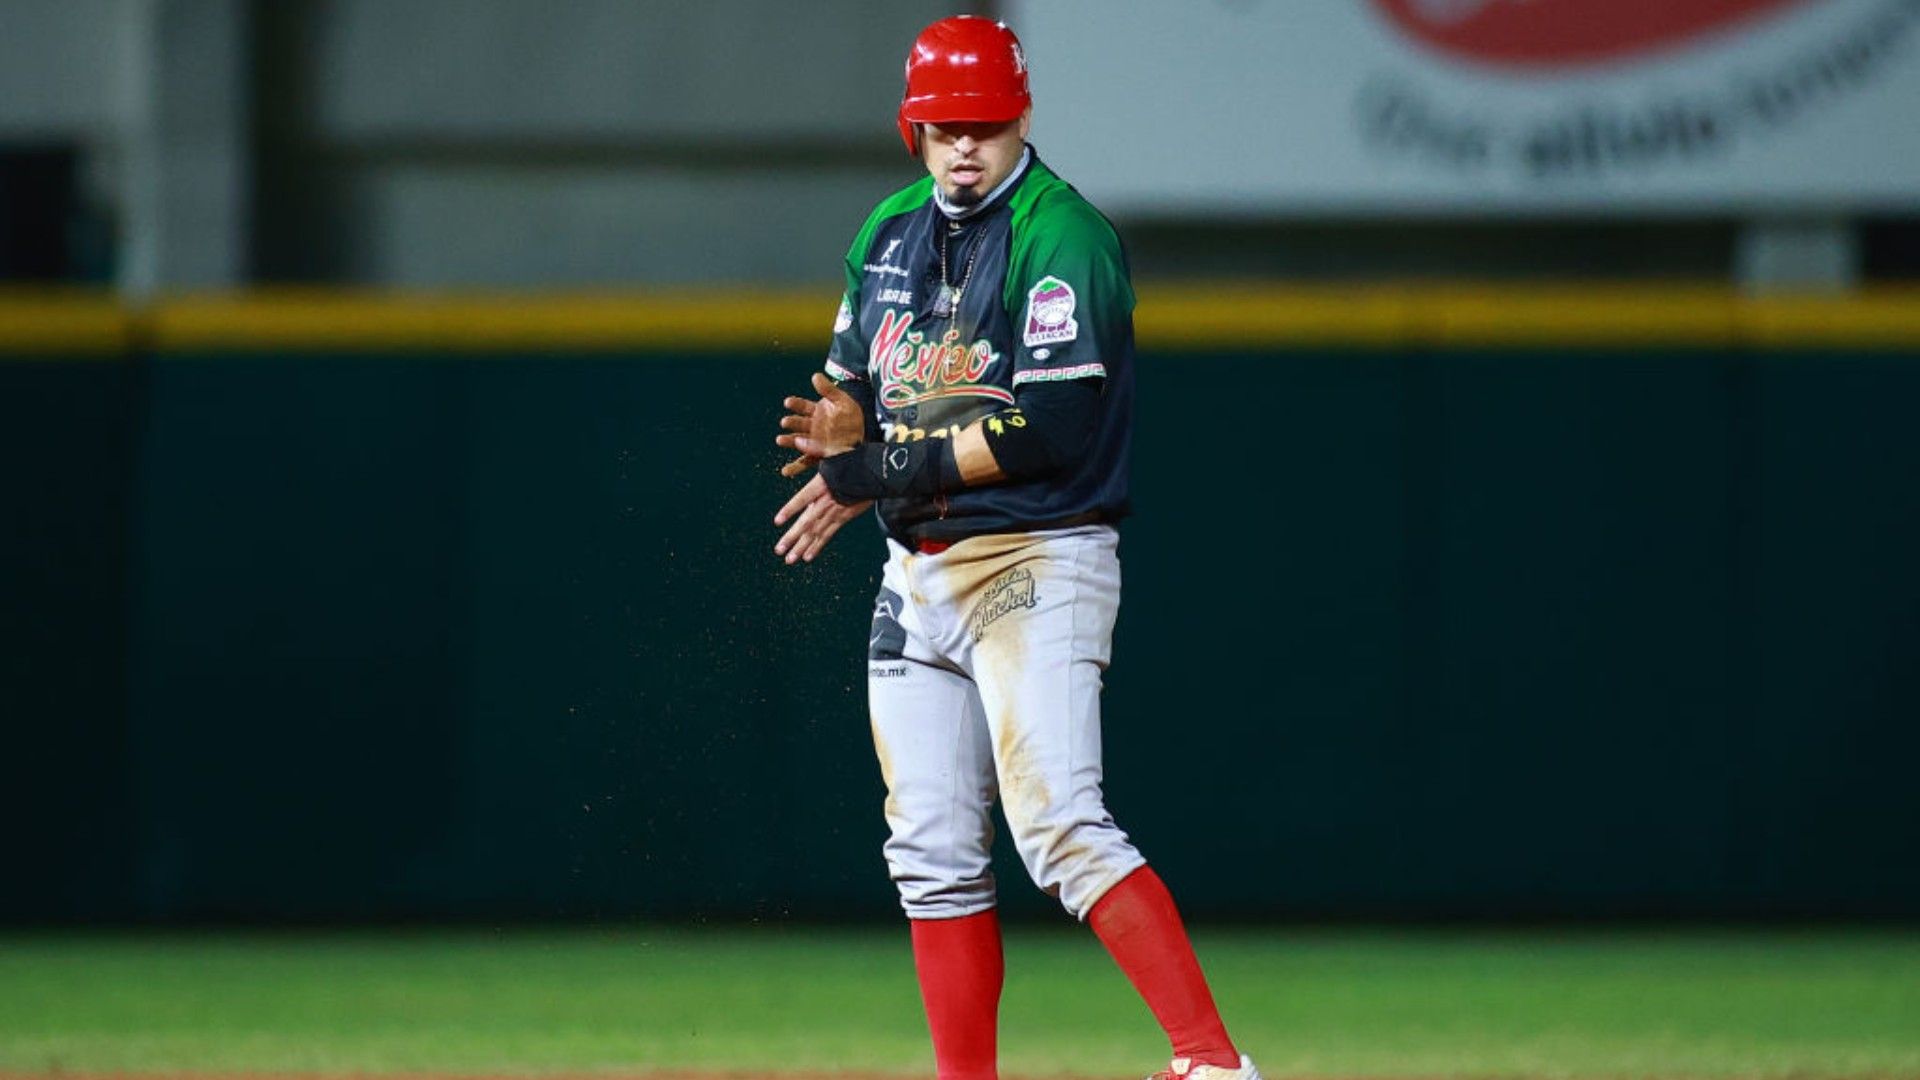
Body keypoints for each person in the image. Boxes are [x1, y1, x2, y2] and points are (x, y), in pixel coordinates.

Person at [772, 16, 1260, 1080]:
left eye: (986, 124)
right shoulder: (888, 233)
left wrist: (877, 468)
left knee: (1061, 830)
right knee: (932, 855)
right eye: (945, 125)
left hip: (1036, 560)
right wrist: (847, 442)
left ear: (1022, 116)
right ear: (914, 126)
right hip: (918, 569)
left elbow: (1052, 429)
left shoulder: (1064, 235)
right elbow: (855, 388)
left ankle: (1211, 1063)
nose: (965, 146)